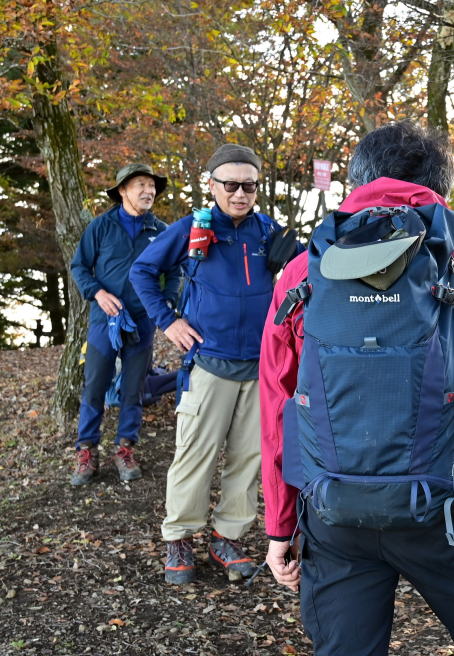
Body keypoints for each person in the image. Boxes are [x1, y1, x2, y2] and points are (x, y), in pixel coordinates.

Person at [260, 120, 454, 656]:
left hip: (334, 511)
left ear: (357, 183)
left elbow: (276, 405)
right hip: (441, 508)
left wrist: (280, 525)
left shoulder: (302, 273)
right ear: (438, 190)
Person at [130, 144, 303, 586]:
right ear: (212, 186)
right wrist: (168, 322)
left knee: (249, 457)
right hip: (209, 362)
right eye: (230, 184)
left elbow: (305, 272)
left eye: (249, 185)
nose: (240, 193)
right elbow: (142, 273)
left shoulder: (268, 232)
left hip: (261, 367)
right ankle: (179, 538)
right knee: (195, 455)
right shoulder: (193, 229)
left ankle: (227, 536)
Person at [69, 164, 182, 486]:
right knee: (94, 388)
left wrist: (168, 301)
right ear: (122, 191)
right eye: (140, 185)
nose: (148, 191)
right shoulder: (100, 227)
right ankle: (86, 451)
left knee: (133, 390)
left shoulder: (162, 231)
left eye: (152, 187)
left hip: (143, 322)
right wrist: (97, 293)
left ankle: (125, 449)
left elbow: (174, 271)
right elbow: (80, 266)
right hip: (104, 321)